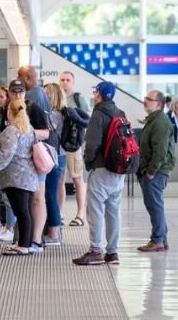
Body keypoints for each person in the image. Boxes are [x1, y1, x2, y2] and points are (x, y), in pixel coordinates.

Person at [0, 99, 38, 255]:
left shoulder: (13, 130)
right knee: (26, 211)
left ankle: (23, 246)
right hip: (28, 175)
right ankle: (27, 243)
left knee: (21, 211)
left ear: (10, 112)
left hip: (16, 176)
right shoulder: (27, 128)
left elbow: (6, 154)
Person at [73, 82, 125, 266]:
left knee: (95, 210)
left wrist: (88, 163)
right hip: (119, 170)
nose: (94, 94)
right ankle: (112, 252)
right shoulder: (120, 113)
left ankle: (95, 251)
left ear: (99, 94)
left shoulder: (98, 113)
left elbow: (92, 143)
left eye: (95, 91)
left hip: (102, 169)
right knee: (113, 212)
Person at [3, 79, 50, 252]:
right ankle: (23, 239)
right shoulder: (6, 110)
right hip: (16, 164)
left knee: (37, 199)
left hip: (33, 160)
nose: (17, 95)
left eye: (20, 92)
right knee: (22, 204)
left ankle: (35, 240)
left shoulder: (32, 108)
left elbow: (46, 133)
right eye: (14, 92)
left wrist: (23, 133)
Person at [136, 90, 173, 252]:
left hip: (155, 171)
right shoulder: (154, 120)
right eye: (145, 99)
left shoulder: (160, 122)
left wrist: (151, 171)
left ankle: (157, 239)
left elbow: (160, 150)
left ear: (158, 104)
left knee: (155, 206)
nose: (145, 101)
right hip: (152, 169)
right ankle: (161, 239)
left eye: (148, 100)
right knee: (155, 205)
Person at [58, 71, 89, 227]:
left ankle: (80, 214)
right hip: (59, 144)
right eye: (62, 80)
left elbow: (86, 120)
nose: (64, 82)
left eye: (68, 80)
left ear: (73, 82)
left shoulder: (78, 99)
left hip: (74, 144)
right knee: (60, 179)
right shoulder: (57, 99)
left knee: (77, 178)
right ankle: (60, 214)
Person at [42, 83, 67, 245]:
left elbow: (46, 132)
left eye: (45, 95)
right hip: (59, 155)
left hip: (54, 156)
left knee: (50, 194)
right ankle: (52, 229)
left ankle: (54, 232)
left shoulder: (54, 115)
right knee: (50, 193)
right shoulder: (60, 114)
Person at [0, 86, 18, 241]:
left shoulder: (10, 122)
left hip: (8, 159)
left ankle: (10, 228)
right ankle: (8, 226)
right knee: (4, 195)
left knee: (9, 196)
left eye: (2, 96)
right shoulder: (1, 115)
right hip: (0, 154)